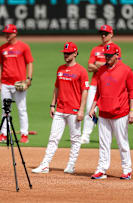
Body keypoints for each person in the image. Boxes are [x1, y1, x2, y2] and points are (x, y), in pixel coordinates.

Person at [32, 42, 89, 174]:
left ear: (75, 53)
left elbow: (85, 91)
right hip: (60, 109)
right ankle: (45, 164)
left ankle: (71, 165)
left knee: (75, 139)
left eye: (68, 53)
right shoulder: (60, 69)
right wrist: (52, 104)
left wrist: (81, 110)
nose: (66, 55)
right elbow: (56, 88)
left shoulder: (81, 71)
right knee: (53, 137)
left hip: (74, 110)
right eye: (64, 53)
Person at [89, 43, 133, 180]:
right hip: (104, 112)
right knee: (103, 144)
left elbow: (132, 92)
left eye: (110, 55)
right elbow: (98, 92)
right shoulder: (101, 71)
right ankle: (101, 169)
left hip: (120, 113)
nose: (107, 57)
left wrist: (132, 110)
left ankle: (127, 169)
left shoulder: (126, 70)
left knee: (122, 143)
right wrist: (93, 107)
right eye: (106, 55)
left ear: (117, 55)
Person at [81, 25, 122, 144]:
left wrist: (98, 64)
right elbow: (89, 67)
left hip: (110, 85)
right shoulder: (95, 49)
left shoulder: (116, 48)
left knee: (110, 109)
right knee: (89, 108)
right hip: (95, 84)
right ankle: (85, 135)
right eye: (101, 34)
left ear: (111, 34)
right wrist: (104, 65)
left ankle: (110, 134)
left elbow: (116, 66)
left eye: (105, 33)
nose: (103, 36)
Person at [0, 24, 33, 143]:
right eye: (5, 33)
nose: (6, 35)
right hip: (5, 83)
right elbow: (0, 65)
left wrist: (29, 79)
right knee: (5, 109)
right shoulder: (2, 48)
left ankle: (24, 134)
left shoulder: (23, 47)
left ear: (15, 33)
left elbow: (29, 63)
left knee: (22, 109)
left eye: (9, 33)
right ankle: (4, 134)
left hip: (19, 84)